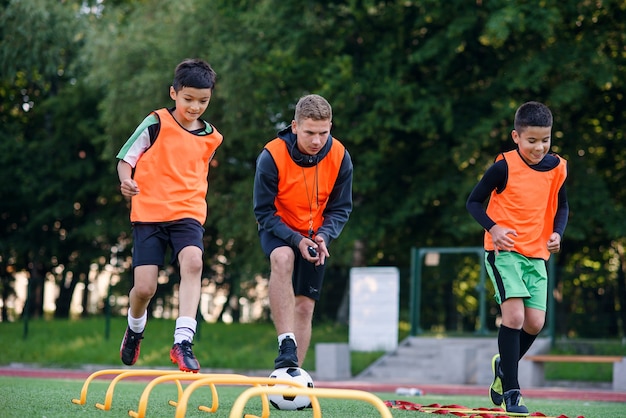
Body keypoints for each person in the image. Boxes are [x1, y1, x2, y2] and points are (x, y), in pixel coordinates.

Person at [116, 58, 223, 373]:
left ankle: (183, 342)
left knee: (194, 262)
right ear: (173, 93)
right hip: (149, 214)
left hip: (188, 213)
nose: (195, 106)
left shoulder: (211, 137)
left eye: (203, 101)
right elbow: (126, 158)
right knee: (145, 288)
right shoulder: (156, 122)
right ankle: (135, 329)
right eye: (188, 99)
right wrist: (126, 179)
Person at [466, 101, 569, 416]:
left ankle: (503, 366)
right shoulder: (503, 167)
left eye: (545, 140)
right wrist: (493, 228)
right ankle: (512, 391)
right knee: (513, 318)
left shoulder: (558, 168)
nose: (539, 147)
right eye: (531, 140)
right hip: (504, 253)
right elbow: (473, 202)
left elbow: (562, 206)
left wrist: (558, 234)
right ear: (516, 136)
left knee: (535, 323)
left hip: (536, 255)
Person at [253, 94, 353, 369]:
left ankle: (292, 374)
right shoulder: (271, 155)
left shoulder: (340, 156)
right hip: (278, 227)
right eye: (309, 132)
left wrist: (324, 236)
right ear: (295, 126)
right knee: (282, 258)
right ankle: (286, 341)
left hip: (315, 235)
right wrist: (296, 239)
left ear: (331, 126)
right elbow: (262, 211)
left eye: (323, 133)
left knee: (306, 306)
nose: (316, 141)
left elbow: (341, 208)